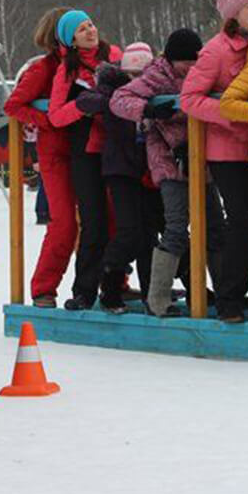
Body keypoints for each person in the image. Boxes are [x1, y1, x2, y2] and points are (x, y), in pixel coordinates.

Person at [110, 28, 225, 317]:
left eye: (194, 61)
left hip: (200, 159)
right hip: (168, 163)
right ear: (171, 59)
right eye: (185, 62)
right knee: (175, 227)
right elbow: (119, 100)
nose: (190, 67)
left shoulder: (204, 72)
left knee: (215, 226)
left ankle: (227, 293)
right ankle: (158, 298)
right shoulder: (156, 76)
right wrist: (148, 109)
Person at [180, 0, 248, 323]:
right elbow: (189, 98)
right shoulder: (216, 50)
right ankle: (230, 298)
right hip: (227, 150)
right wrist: (230, 114)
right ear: (233, 14)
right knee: (242, 222)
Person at [75, 42, 158, 314]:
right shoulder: (113, 88)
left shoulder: (155, 89)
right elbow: (85, 100)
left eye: (141, 74)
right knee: (129, 231)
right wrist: (115, 102)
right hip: (120, 168)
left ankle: (152, 294)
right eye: (131, 74)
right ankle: (109, 285)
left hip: (148, 168)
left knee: (149, 234)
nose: (136, 80)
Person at [48, 10, 122, 311]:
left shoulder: (114, 55)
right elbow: (55, 116)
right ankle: (84, 291)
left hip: (119, 147)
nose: (90, 31)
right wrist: (82, 105)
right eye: (81, 29)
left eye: (90, 24)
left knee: (125, 219)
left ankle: (116, 287)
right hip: (86, 153)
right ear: (72, 41)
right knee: (94, 223)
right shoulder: (67, 70)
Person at [4, 8, 75, 308]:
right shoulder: (42, 69)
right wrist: (48, 120)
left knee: (105, 218)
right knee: (64, 223)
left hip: (89, 151)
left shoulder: (90, 64)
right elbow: (14, 105)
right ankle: (44, 287)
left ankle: (112, 281)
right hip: (56, 154)